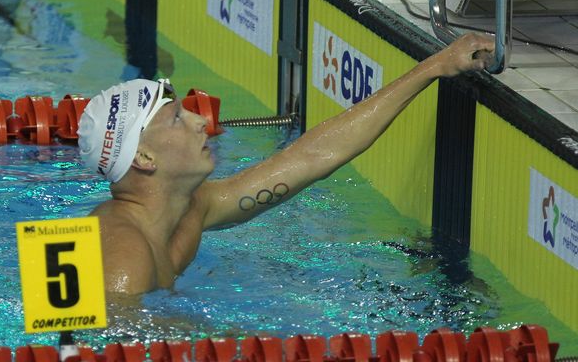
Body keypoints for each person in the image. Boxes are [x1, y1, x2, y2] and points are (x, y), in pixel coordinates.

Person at [77, 33, 494, 295]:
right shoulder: (123, 258)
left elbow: (312, 156)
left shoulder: (189, 209)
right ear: (144, 158)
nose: (202, 121)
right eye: (176, 118)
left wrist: (436, 66)